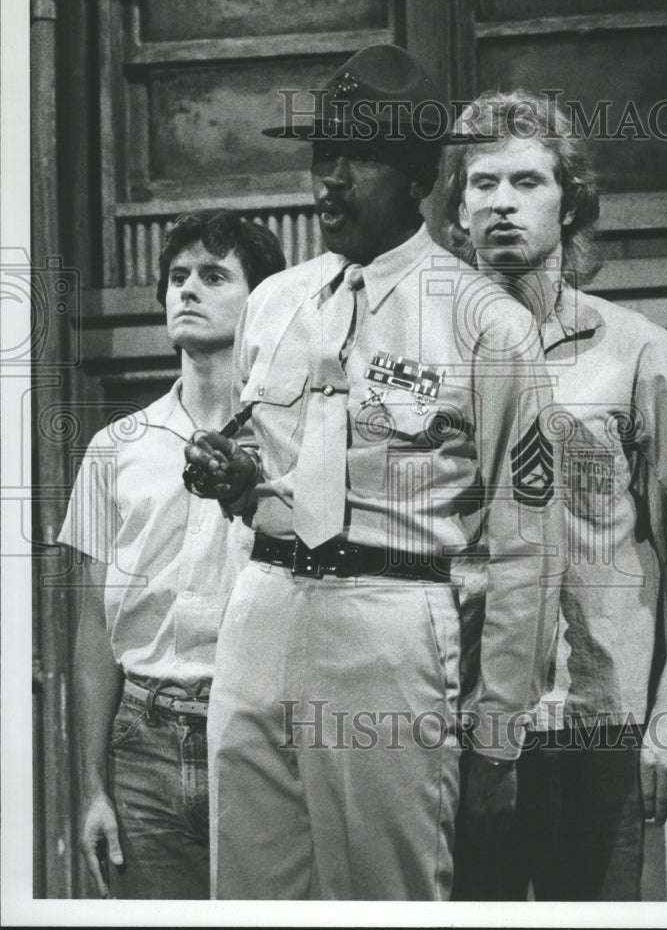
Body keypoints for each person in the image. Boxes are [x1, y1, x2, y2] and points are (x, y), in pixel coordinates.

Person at [183, 45, 564, 901]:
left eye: (358, 158)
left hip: (388, 625)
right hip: (262, 612)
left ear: (419, 176)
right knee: (247, 891)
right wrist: (235, 478)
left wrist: (498, 728)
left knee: (382, 897)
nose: (331, 181)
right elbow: (274, 459)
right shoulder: (277, 302)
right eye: (323, 156)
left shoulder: (486, 326)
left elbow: (525, 547)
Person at [445, 89, 667, 901]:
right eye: (481, 183)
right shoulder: (425, 354)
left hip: (594, 719)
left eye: (526, 181)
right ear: (455, 205)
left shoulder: (637, 350)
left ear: (568, 200)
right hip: (452, 719)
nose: (501, 202)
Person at [58, 209, 285, 899]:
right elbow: (96, 626)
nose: (186, 289)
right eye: (177, 276)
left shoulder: (295, 439)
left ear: (262, 301)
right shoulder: (116, 446)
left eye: (214, 276)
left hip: (263, 734)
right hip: (144, 744)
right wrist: (92, 786)